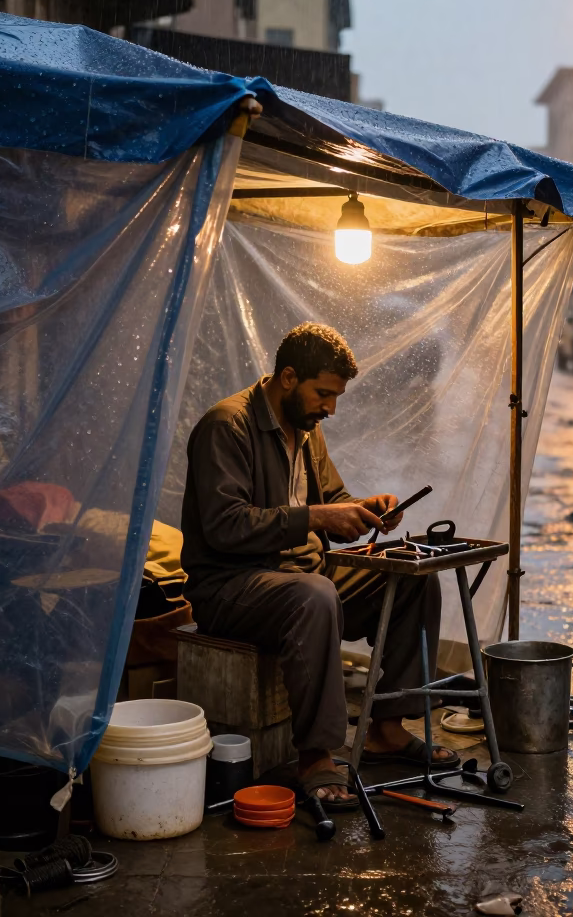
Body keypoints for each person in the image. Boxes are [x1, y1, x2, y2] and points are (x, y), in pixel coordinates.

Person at [180, 322, 457, 808]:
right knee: (314, 595)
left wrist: (367, 508)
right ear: (288, 377)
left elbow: (330, 499)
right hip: (232, 586)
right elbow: (225, 526)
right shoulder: (227, 426)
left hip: (302, 576)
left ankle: (388, 729)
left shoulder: (307, 428)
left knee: (413, 580)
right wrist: (318, 516)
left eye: (336, 397)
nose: (330, 407)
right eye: (324, 394)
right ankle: (316, 756)